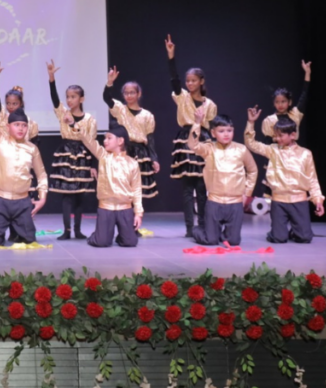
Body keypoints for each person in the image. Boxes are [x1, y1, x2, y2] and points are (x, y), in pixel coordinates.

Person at [0, 75, 47, 246]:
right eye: (17, 125)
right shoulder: (0, 140)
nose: (21, 128)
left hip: (22, 202)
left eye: (24, 125)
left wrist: (42, 198)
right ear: (8, 126)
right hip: (0, 200)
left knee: (29, 241)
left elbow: (42, 175)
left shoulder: (32, 149)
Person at [245, 106, 325, 243]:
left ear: (292, 135)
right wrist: (251, 122)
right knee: (278, 238)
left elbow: (312, 179)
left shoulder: (305, 154)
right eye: (275, 135)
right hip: (279, 201)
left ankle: (296, 230)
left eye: (280, 135)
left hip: (299, 200)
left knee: (304, 238)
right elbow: (251, 144)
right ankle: (277, 231)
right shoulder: (273, 150)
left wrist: (318, 200)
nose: (276, 139)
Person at [166, 34, 217, 237]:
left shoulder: (210, 104)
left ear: (201, 81)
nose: (190, 83)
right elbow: (174, 80)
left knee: (201, 187)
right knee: (187, 188)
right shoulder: (182, 98)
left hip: (202, 140)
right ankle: (189, 227)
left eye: (194, 80)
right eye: (188, 81)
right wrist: (171, 57)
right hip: (186, 139)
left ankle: (202, 224)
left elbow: (212, 128)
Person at [67, 114, 143, 248]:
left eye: (109, 138)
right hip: (106, 207)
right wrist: (74, 124)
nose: (105, 141)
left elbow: (136, 189)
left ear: (120, 141)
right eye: (105, 138)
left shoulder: (132, 163)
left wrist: (138, 213)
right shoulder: (104, 157)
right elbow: (88, 140)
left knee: (130, 242)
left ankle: (122, 235)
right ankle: (97, 235)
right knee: (101, 242)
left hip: (125, 208)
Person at [187, 109, 257, 246]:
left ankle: (223, 233)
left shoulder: (241, 149)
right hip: (215, 201)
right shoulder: (209, 149)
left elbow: (253, 170)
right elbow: (193, 145)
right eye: (221, 131)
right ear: (213, 133)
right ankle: (197, 230)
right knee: (211, 240)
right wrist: (197, 123)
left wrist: (247, 194)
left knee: (233, 241)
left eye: (229, 130)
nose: (226, 134)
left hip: (235, 202)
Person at [47, 60, 98, 240]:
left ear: (81, 99)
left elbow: (92, 142)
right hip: (67, 154)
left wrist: (93, 165)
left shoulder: (90, 119)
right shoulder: (64, 113)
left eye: (73, 97)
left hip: (82, 155)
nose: (69, 100)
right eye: (68, 97)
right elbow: (55, 100)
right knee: (67, 196)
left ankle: (77, 230)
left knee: (80, 195)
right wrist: (51, 78)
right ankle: (67, 230)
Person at [103, 66, 160, 203]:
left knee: (138, 188)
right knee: (124, 186)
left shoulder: (147, 115)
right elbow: (107, 98)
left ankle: (137, 214)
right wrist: (110, 82)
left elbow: (150, 139)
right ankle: (125, 214)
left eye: (132, 92)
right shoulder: (120, 109)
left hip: (141, 153)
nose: (129, 95)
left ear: (138, 94)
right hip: (124, 151)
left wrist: (154, 159)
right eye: (126, 93)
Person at [261, 60, 313, 138]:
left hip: (294, 146)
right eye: (277, 102)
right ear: (274, 103)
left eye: (283, 101)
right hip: (276, 146)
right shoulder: (269, 120)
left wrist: (307, 73)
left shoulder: (295, 114)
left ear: (289, 102)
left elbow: (304, 95)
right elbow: (268, 141)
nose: (280, 105)